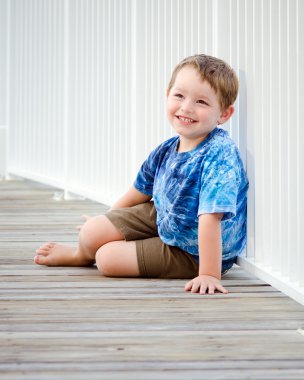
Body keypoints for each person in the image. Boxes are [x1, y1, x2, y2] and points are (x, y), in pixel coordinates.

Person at [34, 54, 249, 295]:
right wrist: (106, 221)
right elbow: (137, 193)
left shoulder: (220, 155)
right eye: (179, 96)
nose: (186, 107)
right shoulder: (167, 149)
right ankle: (79, 254)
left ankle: (130, 251)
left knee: (107, 258)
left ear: (224, 114)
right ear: (168, 96)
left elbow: (210, 219)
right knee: (93, 230)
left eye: (201, 101)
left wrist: (209, 273)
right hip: (167, 215)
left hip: (195, 251)